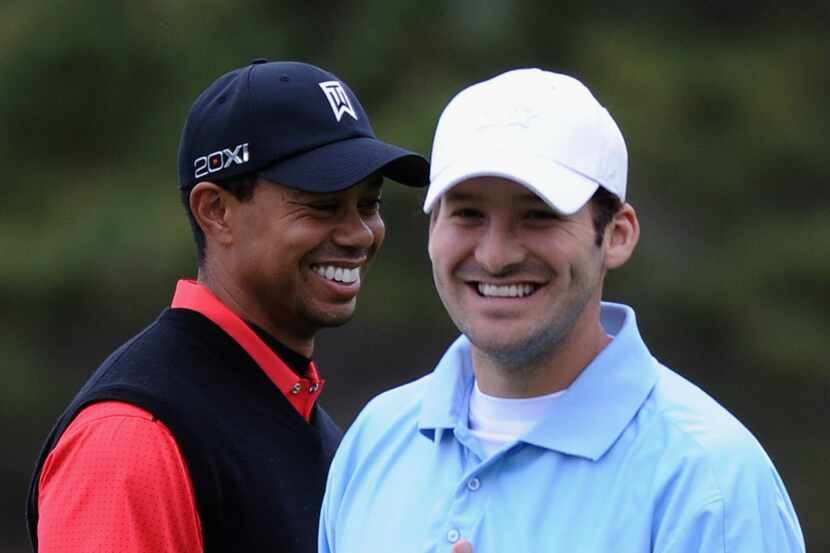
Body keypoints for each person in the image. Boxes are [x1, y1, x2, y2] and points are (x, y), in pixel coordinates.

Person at [319, 68, 805, 553]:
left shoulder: (711, 482)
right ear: (432, 231)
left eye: (538, 215)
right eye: (468, 213)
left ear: (617, 234)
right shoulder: (375, 440)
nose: (495, 255)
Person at [26, 59, 428, 553]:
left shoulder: (312, 423)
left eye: (370, 204)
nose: (359, 233)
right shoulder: (133, 437)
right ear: (216, 211)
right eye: (322, 205)